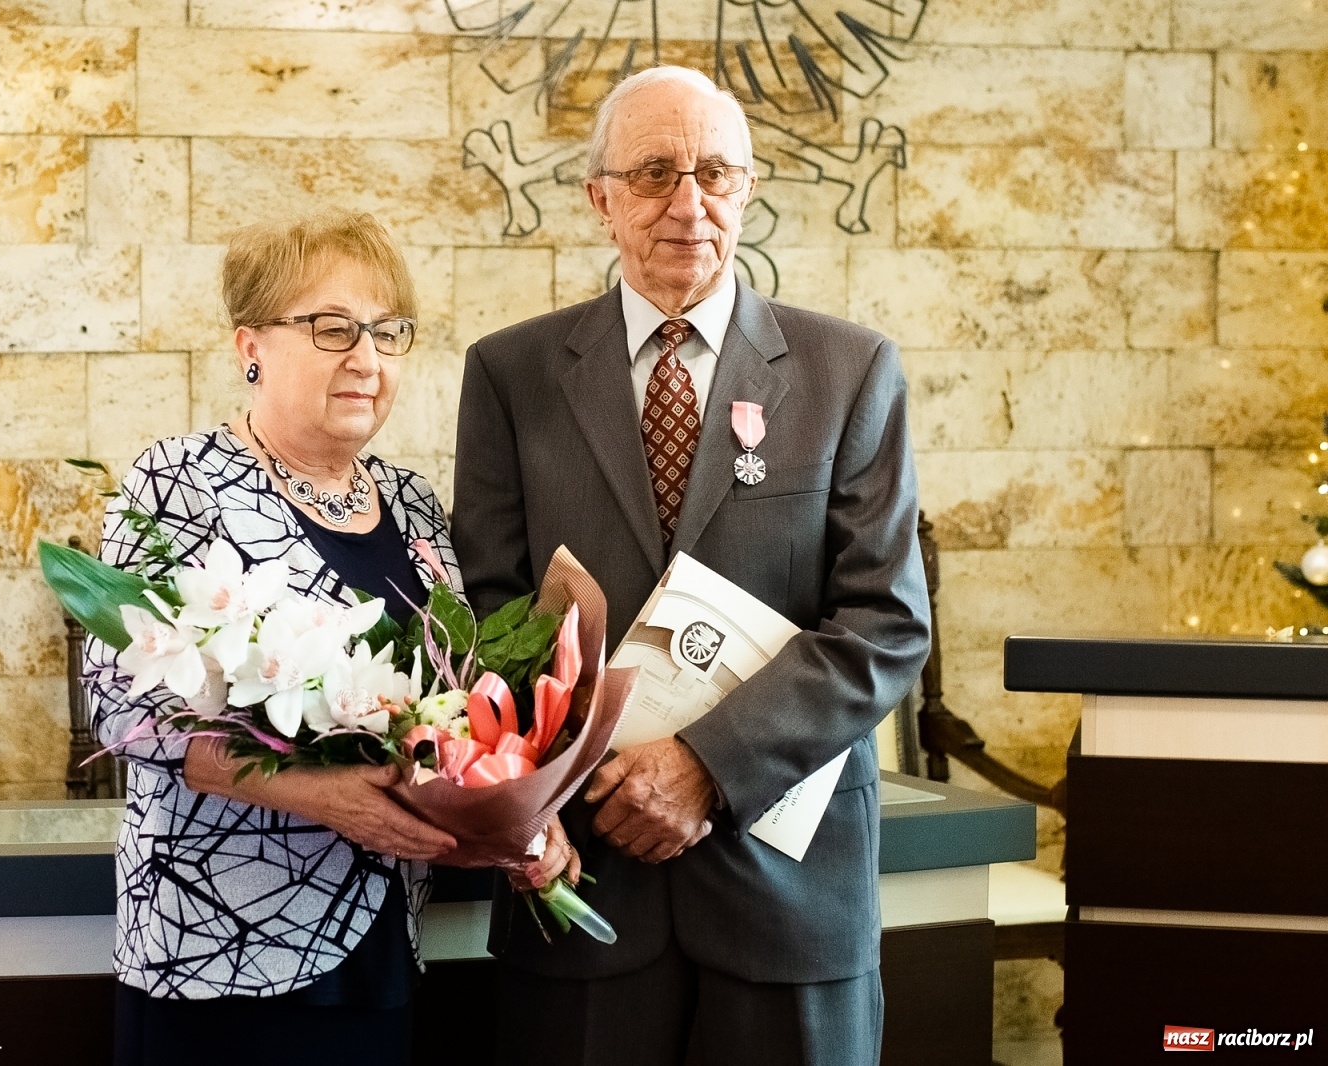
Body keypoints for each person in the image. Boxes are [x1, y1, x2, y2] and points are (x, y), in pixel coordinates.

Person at [451, 66, 932, 1065]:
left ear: (748, 187)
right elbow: (489, 616)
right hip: (585, 876)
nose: (688, 202)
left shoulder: (850, 373)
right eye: (655, 172)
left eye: (715, 172)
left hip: (787, 892)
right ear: (600, 199)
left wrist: (705, 766)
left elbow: (886, 623)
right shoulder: (510, 374)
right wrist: (560, 788)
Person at [85, 211, 462, 1066]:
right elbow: (125, 708)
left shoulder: (415, 505)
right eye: (332, 329)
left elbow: (452, 695)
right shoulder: (179, 481)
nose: (366, 358)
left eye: (387, 332)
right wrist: (318, 793)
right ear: (249, 345)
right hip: (217, 946)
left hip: (380, 946)